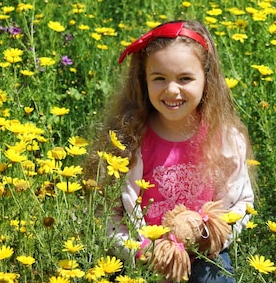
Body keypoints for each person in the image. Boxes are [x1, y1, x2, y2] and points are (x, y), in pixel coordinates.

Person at [89, 20, 255, 283]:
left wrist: (210, 235)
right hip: (141, 252)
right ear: (144, 80)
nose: (172, 90)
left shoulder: (225, 140)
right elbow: (106, 212)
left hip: (204, 253)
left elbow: (241, 203)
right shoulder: (128, 141)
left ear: (206, 80)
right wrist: (143, 251)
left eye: (185, 78)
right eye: (159, 78)